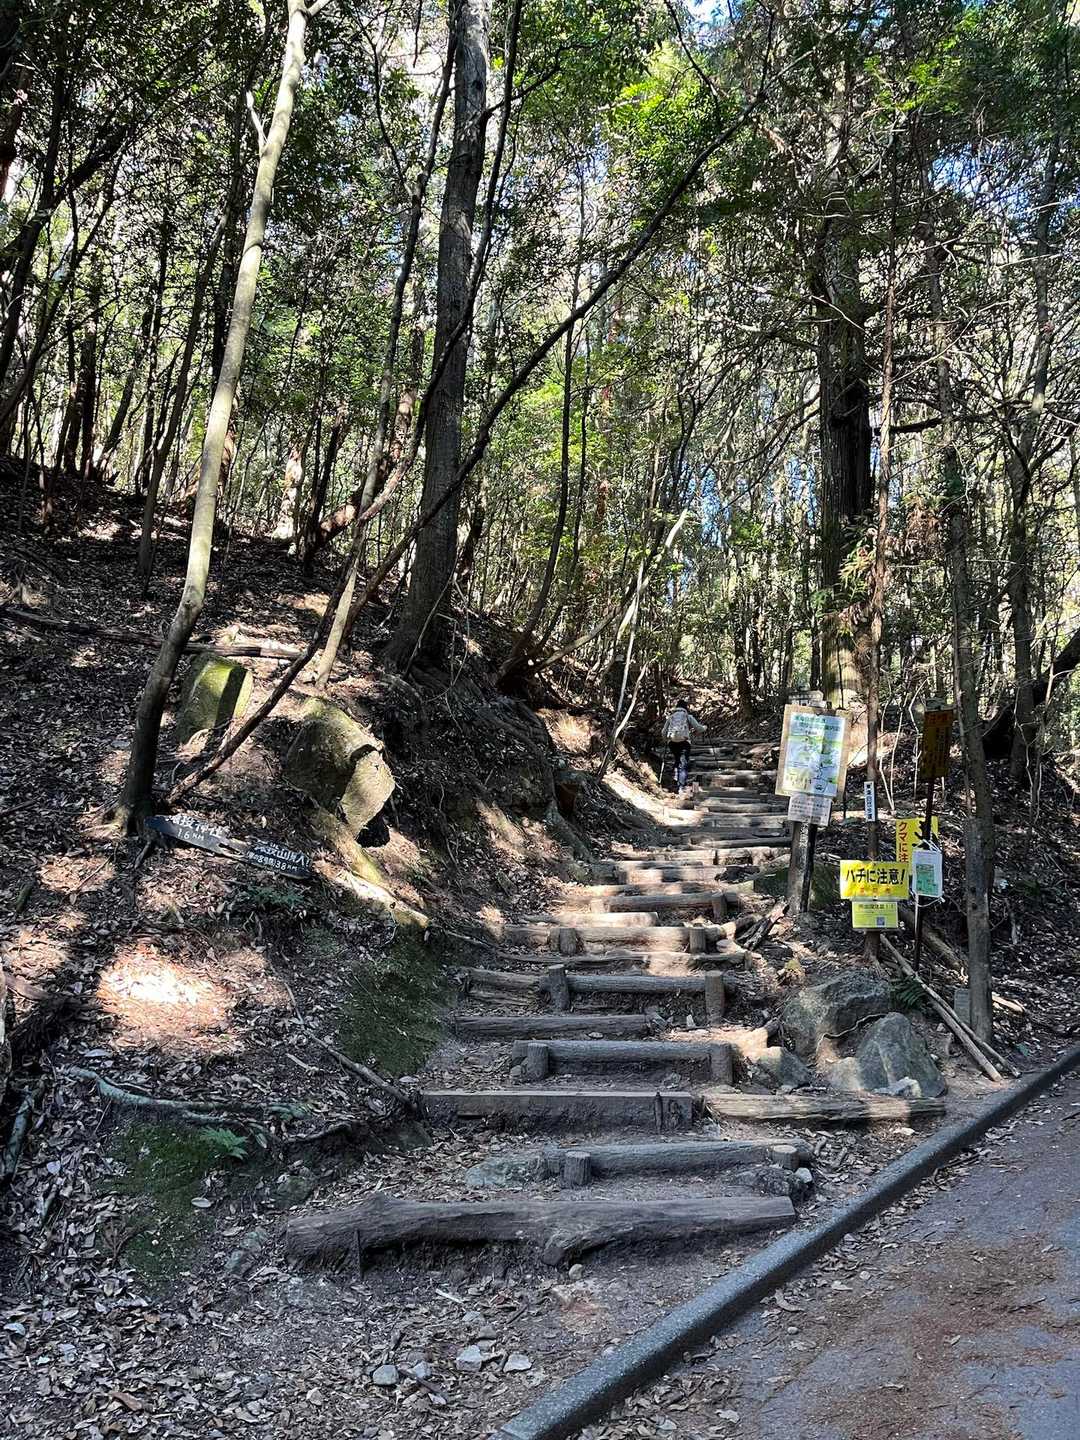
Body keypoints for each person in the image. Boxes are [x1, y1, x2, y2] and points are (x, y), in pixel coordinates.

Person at [662, 697, 704, 792]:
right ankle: (681, 786)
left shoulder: (671, 717)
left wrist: (666, 740)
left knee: (678, 760)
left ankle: (675, 779)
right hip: (684, 743)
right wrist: (705, 727)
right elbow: (699, 728)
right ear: (685, 707)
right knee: (683, 763)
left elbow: (663, 732)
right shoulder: (688, 716)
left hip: (672, 743)